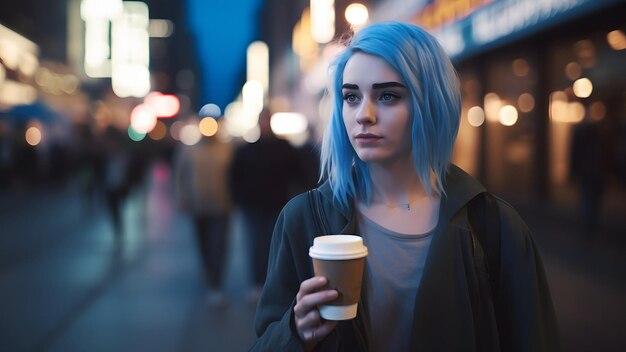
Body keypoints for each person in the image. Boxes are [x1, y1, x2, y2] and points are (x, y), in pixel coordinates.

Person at [252, 22, 560, 351]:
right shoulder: (305, 219)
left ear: (430, 105)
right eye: (351, 96)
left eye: (387, 96)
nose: (363, 115)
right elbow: (264, 342)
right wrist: (296, 332)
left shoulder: (492, 225)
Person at [229, 108, 307, 301]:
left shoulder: (284, 148)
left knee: (278, 246)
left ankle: (275, 283)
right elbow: (235, 177)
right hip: (253, 206)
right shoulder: (246, 150)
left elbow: (298, 174)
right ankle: (257, 283)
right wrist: (238, 199)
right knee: (256, 245)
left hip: (278, 205)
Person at [174, 123, 233, 305]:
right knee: (203, 243)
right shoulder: (189, 150)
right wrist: (182, 198)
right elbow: (180, 175)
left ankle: (216, 283)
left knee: (218, 245)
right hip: (197, 206)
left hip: (221, 205)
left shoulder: (227, 149)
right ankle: (208, 272)